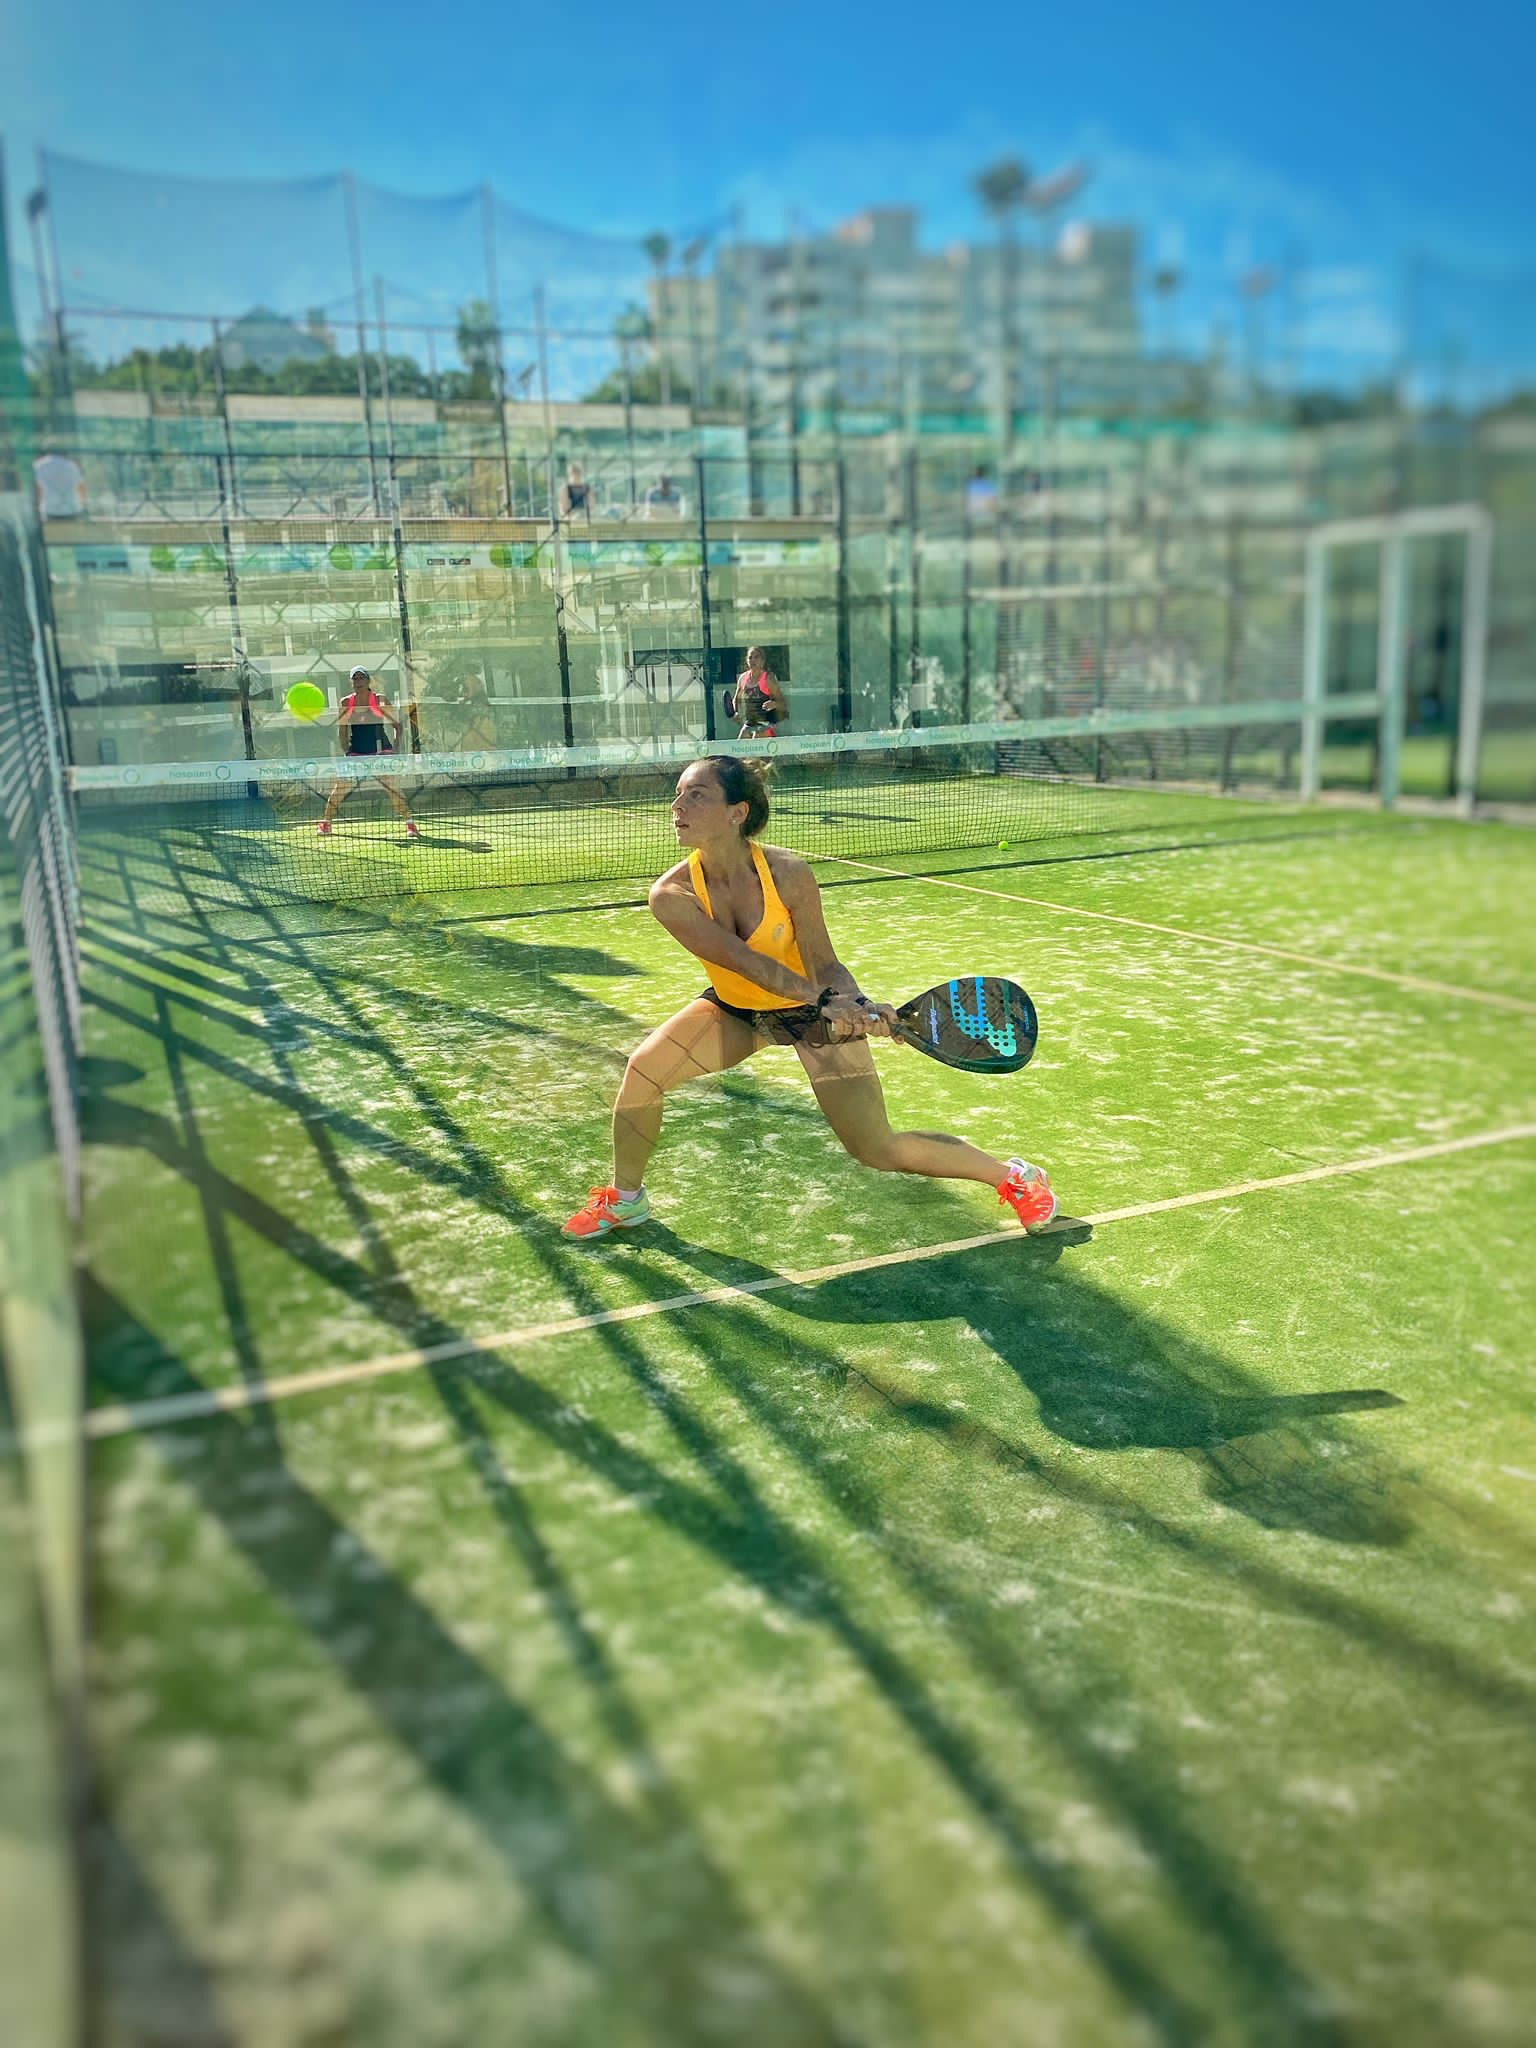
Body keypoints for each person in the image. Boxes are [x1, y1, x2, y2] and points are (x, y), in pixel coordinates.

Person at [561, 754, 1057, 1239]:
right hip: (740, 1009)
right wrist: (825, 1000)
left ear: (737, 813)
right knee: (644, 1071)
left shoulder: (788, 873)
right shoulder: (672, 895)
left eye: (697, 795)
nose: (677, 806)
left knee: (876, 1148)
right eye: (678, 795)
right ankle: (626, 1199)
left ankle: (1015, 1177)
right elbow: (742, 961)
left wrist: (856, 1004)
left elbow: (824, 961)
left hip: (814, 1012)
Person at [317, 667, 420, 837]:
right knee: (340, 788)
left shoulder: (380, 700)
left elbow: (398, 726)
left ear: (368, 681)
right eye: (355, 679)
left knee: (391, 787)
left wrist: (395, 750)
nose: (358, 682)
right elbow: (342, 731)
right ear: (352, 682)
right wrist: (347, 752)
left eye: (361, 678)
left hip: (381, 752)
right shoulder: (346, 702)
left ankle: (410, 824)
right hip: (356, 752)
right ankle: (326, 824)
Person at [730, 647, 787, 737]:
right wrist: (735, 712)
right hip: (749, 724)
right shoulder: (742, 678)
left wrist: (774, 704)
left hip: (766, 724)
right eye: (750, 657)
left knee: (756, 736)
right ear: (746, 660)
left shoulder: (768, 678)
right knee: (740, 744)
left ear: (763, 661)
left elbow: (783, 704)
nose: (753, 660)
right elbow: (736, 699)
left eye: (756, 657)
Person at [34, 448, 87, 520]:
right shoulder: (73, 465)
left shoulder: (39, 465)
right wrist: (83, 505)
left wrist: (37, 507)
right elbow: (81, 487)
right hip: (72, 509)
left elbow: (38, 490)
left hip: (49, 509)